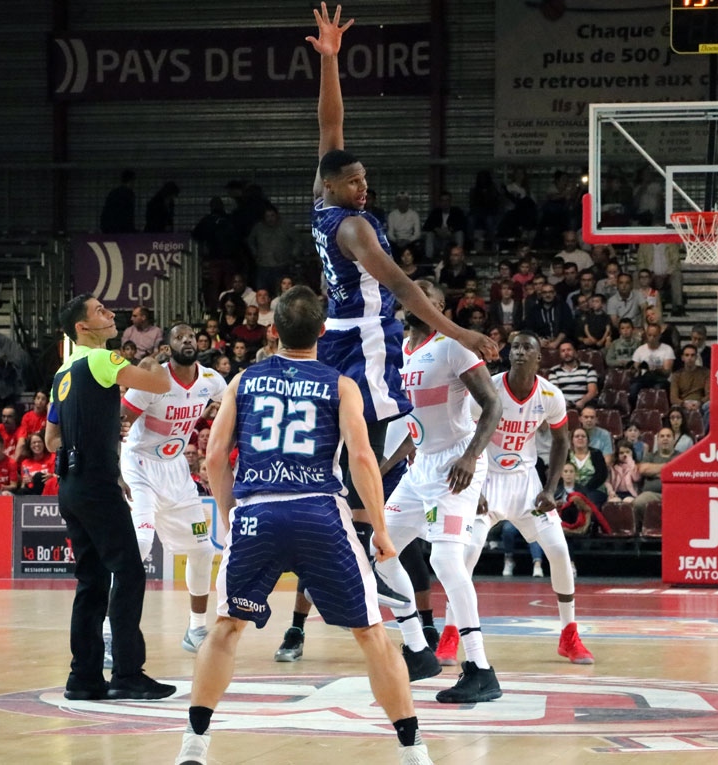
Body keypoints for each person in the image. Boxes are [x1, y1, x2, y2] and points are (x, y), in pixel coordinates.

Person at [292, 1, 497, 655]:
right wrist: (461, 333)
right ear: (335, 188)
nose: (363, 187)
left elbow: (331, 123)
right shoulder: (353, 226)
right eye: (354, 181)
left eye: (364, 179)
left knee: (373, 444)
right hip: (366, 335)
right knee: (375, 446)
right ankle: (359, 513)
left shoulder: (323, 198)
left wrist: (329, 60)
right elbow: (406, 290)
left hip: (339, 334)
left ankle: (358, 513)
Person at [179, 285, 432, 765]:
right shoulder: (340, 384)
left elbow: (214, 457)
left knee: (227, 627)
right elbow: (361, 458)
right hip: (319, 511)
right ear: (322, 331)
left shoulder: (244, 381)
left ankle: (194, 744)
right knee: (372, 633)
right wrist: (379, 528)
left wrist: (232, 517)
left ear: (271, 331)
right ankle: (413, 750)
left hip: (258, 511)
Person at [373, 278, 504, 703]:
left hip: (455, 465)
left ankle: (480, 669)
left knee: (447, 561)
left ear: (440, 305)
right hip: (419, 468)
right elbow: (416, 428)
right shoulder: (401, 352)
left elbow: (493, 404)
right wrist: (385, 465)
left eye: (425, 295)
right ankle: (417, 650)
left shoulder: (453, 345)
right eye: (410, 294)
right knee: (380, 547)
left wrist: (469, 457)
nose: (414, 300)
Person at [45, 294, 176, 702]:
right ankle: (127, 672)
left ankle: (83, 677)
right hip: (96, 486)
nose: (110, 314)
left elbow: (51, 439)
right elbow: (159, 383)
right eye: (100, 311)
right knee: (130, 572)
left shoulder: (62, 373)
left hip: (71, 484)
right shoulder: (101, 360)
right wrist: (154, 360)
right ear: (82, 327)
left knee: (92, 580)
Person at [444, 331, 594, 667]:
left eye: (528, 347)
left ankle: (569, 635)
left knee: (558, 550)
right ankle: (451, 634)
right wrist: (474, 487)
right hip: (487, 479)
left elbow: (561, 442)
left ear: (539, 357)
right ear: (508, 354)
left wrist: (551, 488)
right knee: (466, 554)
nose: (520, 352)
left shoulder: (550, 395)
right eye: (516, 347)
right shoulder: (489, 387)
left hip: (526, 483)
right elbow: (462, 434)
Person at [119, 322, 225, 657]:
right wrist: (116, 472)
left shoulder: (211, 380)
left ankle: (196, 630)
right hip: (139, 467)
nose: (187, 341)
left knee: (203, 550)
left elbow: (235, 403)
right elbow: (120, 422)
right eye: (179, 337)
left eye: (191, 336)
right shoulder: (153, 381)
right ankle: (111, 631)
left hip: (177, 471)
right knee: (140, 543)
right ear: (168, 347)